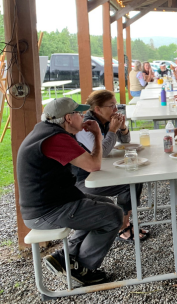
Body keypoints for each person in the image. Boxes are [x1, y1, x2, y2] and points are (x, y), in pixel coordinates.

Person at [18, 98, 123, 285]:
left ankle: (66, 257)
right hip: (46, 211)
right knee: (113, 214)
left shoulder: (47, 131)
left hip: (51, 202)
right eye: (79, 113)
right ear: (68, 118)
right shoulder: (56, 138)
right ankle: (82, 269)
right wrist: (98, 135)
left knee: (105, 204)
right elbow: (94, 165)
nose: (83, 116)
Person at [74, 90, 147, 242]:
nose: (116, 110)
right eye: (112, 106)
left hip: (100, 170)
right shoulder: (86, 126)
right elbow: (104, 152)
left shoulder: (105, 120)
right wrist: (113, 129)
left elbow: (125, 141)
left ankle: (124, 222)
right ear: (98, 109)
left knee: (136, 178)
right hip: (85, 179)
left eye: (116, 106)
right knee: (129, 184)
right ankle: (122, 227)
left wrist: (123, 127)